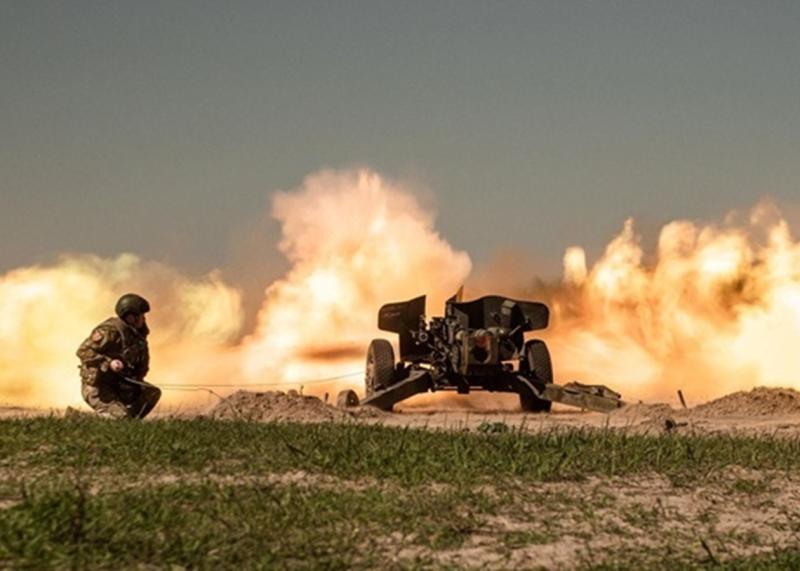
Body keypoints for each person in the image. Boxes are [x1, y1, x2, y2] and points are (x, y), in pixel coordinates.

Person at [76, 293, 161, 419]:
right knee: (121, 418)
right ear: (131, 317)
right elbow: (83, 351)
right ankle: (80, 418)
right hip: (99, 387)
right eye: (141, 316)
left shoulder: (137, 335)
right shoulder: (110, 331)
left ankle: (129, 420)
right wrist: (108, 362)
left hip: (119, 384)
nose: (144, 319)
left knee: (151, 393)